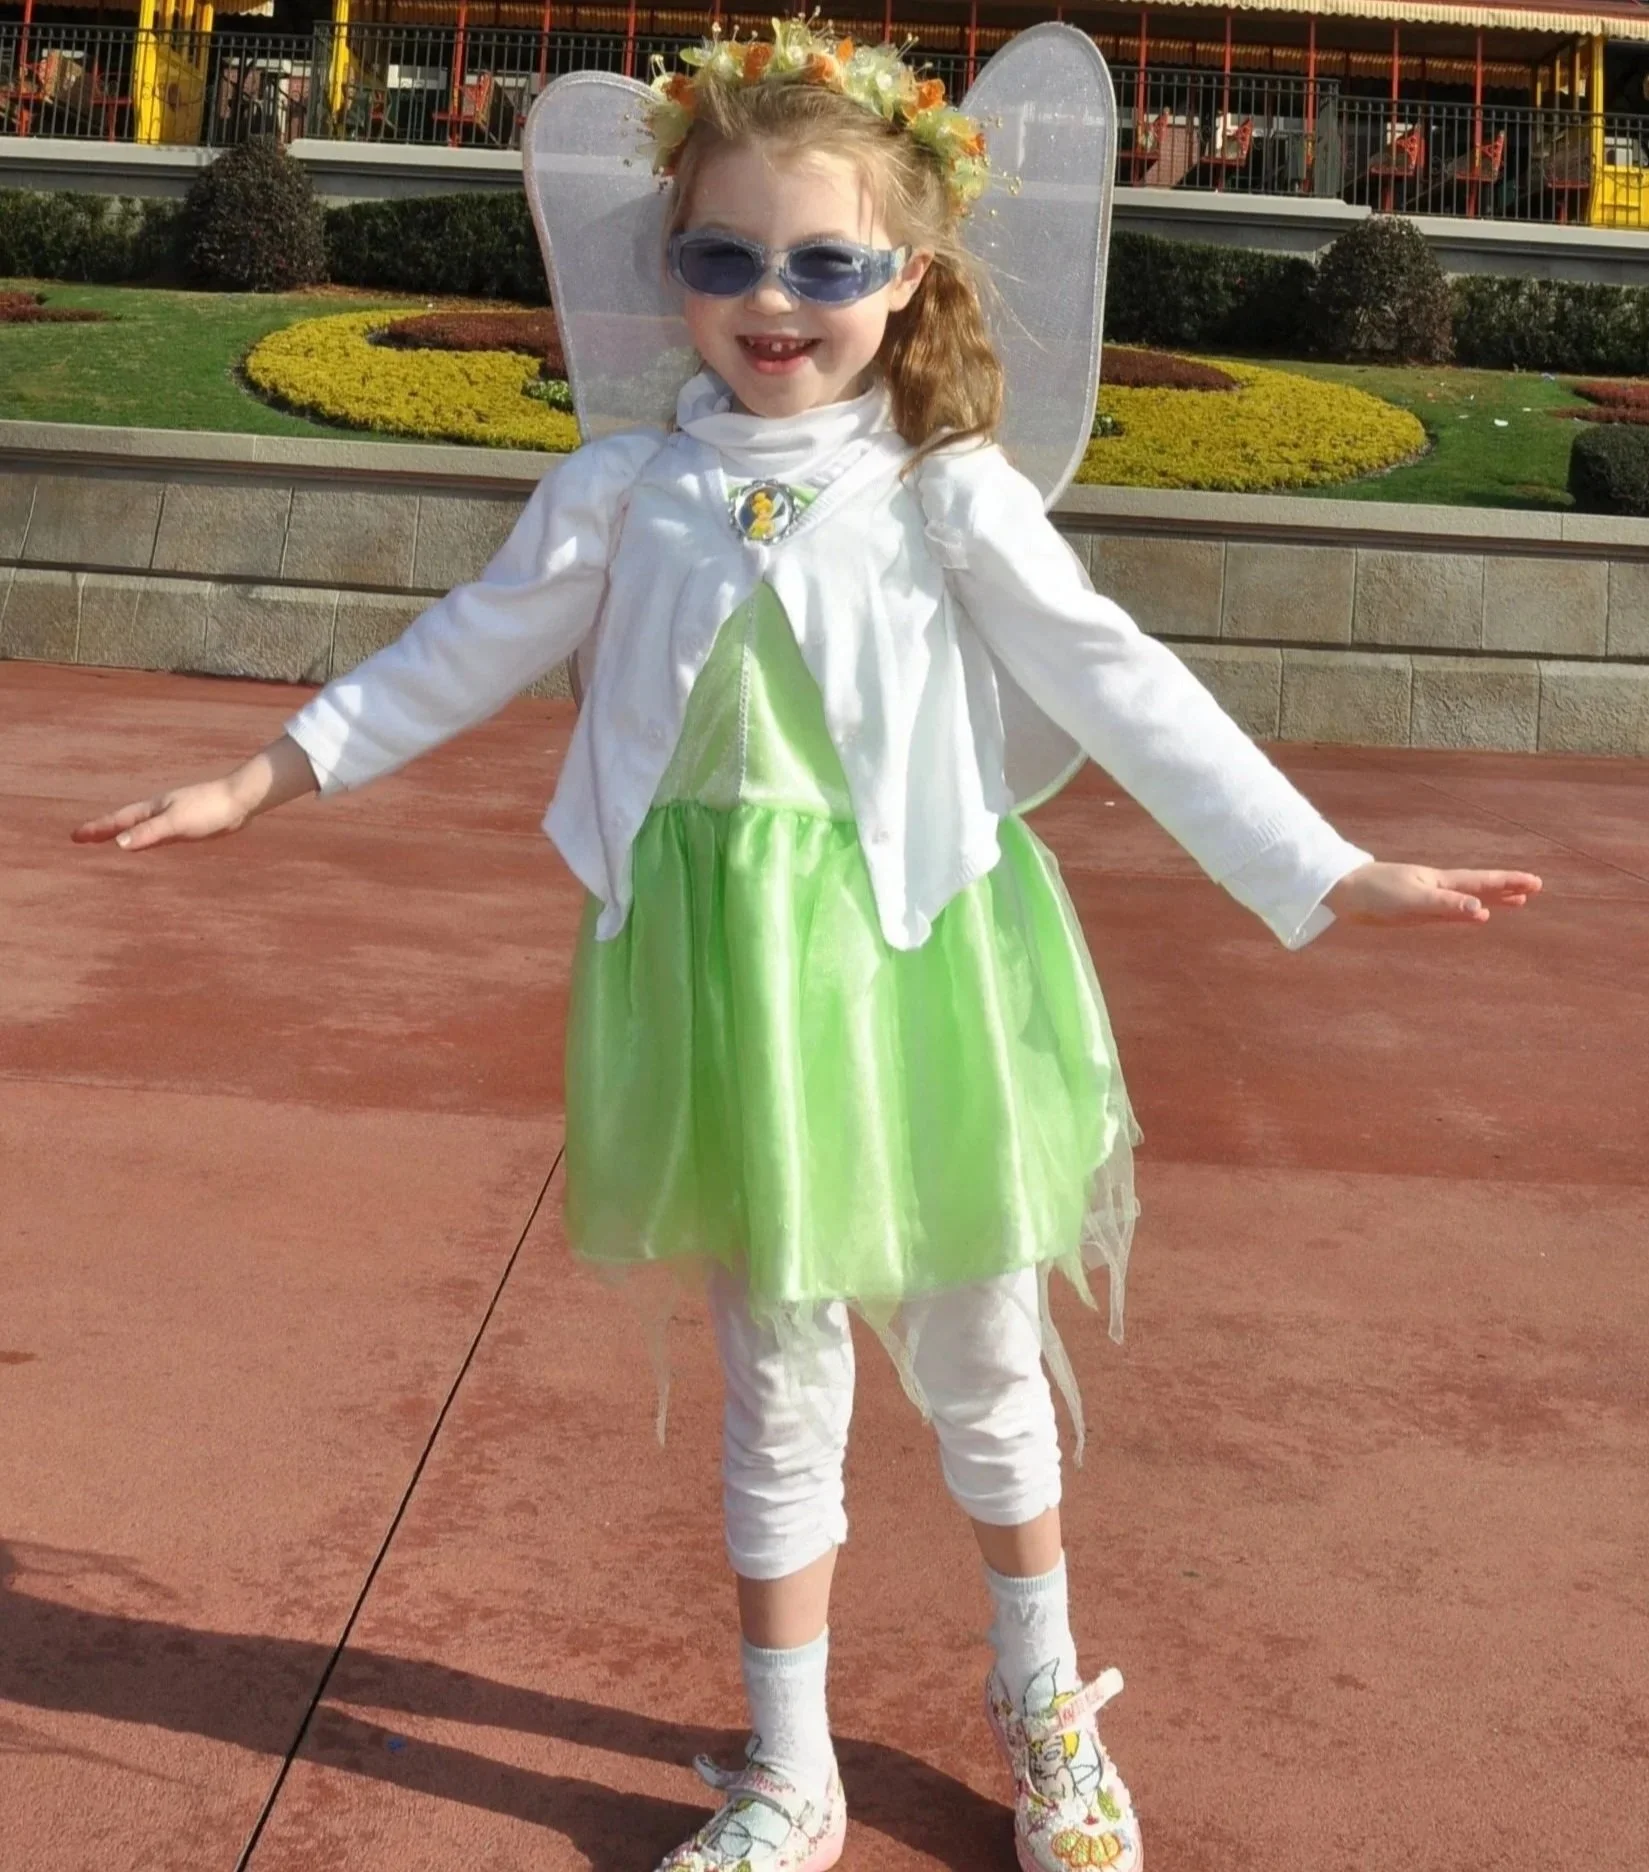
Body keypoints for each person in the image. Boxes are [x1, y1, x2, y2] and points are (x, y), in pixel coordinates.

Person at [75, 23, 1542, 1872]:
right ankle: (793, 1767)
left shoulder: (943, 489)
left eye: (828, 262)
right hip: (724, 989)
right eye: (725, 258)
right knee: (777, 1373)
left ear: (905, 271)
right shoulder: (625, 491)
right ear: (670, 264)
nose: (775, 301)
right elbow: (465, 646)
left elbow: (1117, 674)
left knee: (980, 1364)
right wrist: (267, 773)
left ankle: (1042, 1703)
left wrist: (1324, 867)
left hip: (915, 969)